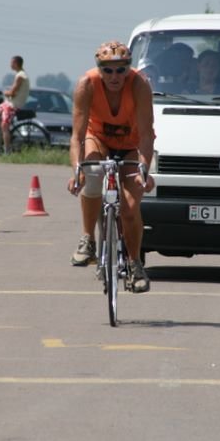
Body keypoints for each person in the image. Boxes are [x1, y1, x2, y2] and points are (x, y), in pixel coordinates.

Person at [67, 40, 155, 293]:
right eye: (108, 70)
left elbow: (147, 135)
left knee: (129, 208)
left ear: (129, 68)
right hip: (99, 139)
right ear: (99, 69)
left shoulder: (139, 85)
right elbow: (77, 136)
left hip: (133, 144)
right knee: (92, 173)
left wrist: (144, 169)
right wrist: (77, 170)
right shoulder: (87, 84)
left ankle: (135, 263)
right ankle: (87, 240)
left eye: (121, 69)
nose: (114, 76)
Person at [0, 55, 30, 153]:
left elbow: (12, 92)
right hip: (9, 103)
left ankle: (7, 150)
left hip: (14, 105)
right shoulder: (20, 74)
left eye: (11, 63)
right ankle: (6, 131)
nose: (10, 65)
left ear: (15, 63)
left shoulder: (20, 76)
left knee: (4, 125)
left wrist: (5, 92)